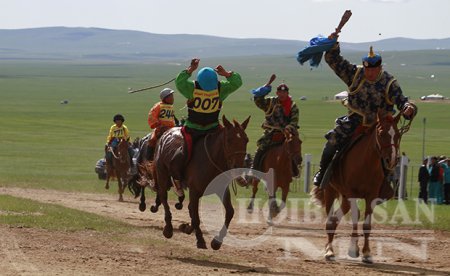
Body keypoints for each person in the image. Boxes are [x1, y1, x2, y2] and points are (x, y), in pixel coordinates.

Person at [312, 34, 417, 200]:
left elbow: (401, 100)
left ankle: (385, 184)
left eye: (374, 70)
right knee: (332, 140)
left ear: (380, 68)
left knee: (389, 150)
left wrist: (408, 108)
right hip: (355, 121)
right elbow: (334, 60)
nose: (370, 73)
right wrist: (333, 43)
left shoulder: (389, 82)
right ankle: (323, 172)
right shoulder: (354, 74)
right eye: (368, 70)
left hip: (379, 125)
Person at [170, 58, 243, 194]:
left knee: (182, 153)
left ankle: (178, 179)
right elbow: (237, 82)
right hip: (213, 128)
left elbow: (179, 82)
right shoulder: (221, 88)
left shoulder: (192, 88)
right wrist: (226, 74)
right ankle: (234, 172)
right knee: (228, 148)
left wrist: (190, 69)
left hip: (193, 128)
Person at [250, 81, 300, 177]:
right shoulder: (270, 102)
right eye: (280, 92)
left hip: (286, 134)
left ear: (287, 93)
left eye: (284, 93)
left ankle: (294, 170)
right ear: (277, 93)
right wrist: (264, 89)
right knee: (261, 148)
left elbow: (294, 121)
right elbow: (258, 100)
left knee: (293, 148)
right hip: (270, 133)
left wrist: (288, 128)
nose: (282, 94)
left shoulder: (293, 106)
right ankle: (254, 170)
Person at [146, 88, 176, 160]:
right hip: (160, 129)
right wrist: (158, 124)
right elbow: (151, 116)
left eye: (172, 96)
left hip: (171, 129)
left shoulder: (171, 107)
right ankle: (149, 160)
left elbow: (171, 119)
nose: (173, 98)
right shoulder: (158, 106)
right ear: (165, 98)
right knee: (152, 140)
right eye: (171, 96)